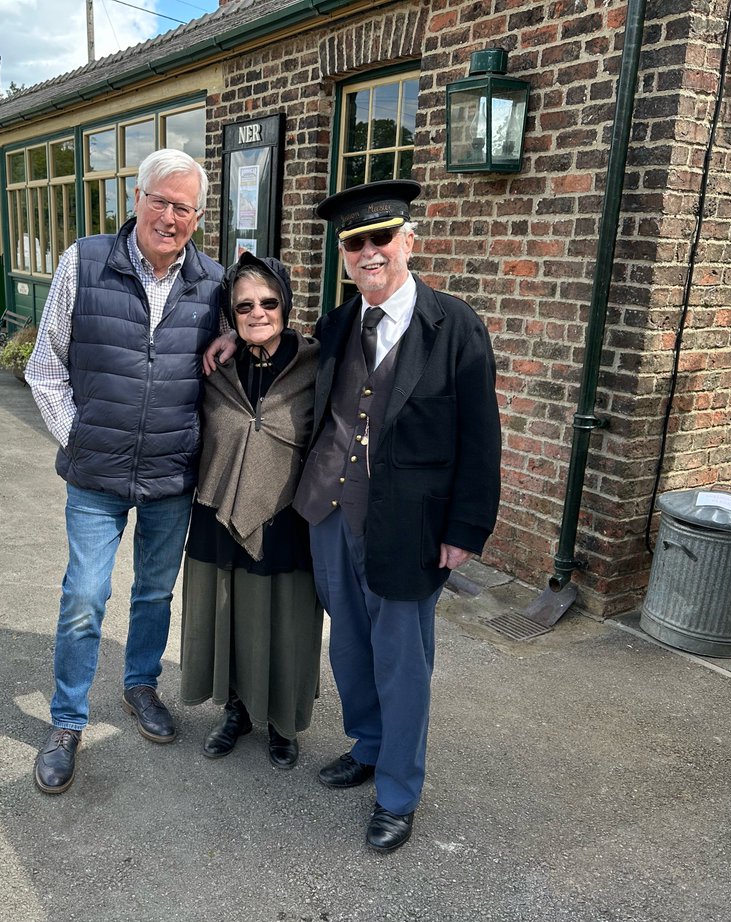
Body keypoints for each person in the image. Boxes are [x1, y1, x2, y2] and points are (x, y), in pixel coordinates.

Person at [291, 179, 501, 851]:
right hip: (330, 512)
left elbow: (482, 437)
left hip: (412, 527)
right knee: (350, 645)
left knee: (403, 662)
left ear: (409, 241)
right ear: (344, 256)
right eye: (355, 243)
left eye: (381, 237)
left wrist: (465, 530)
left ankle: (399, 791)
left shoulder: (455, 327)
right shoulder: (336, 324)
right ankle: (369, 745)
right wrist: (232, 344)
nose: (369, 252)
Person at [24, 149, 225, 795]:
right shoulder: (83, 262)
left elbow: (252, 344)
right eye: (159, 201)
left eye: (183, 207)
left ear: (199, 217)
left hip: (171, 475)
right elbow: (45, 368)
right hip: (95, 478)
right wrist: (79, 440)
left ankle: (141, 685)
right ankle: (66, 721)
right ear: (135, 199)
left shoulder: (214, 283)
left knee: (154, 593)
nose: (170, 217)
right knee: (85, 596)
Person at [180, 252, 321, 770]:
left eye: (268, 302)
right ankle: (236, 710)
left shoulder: (316, 365)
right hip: (218, 509)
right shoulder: (217, 367)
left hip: (289, 516)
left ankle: (283, 721)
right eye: (244, 306)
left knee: (287, 621)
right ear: (231, 315)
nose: (257, 313)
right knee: (228, 616)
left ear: (286, 304)